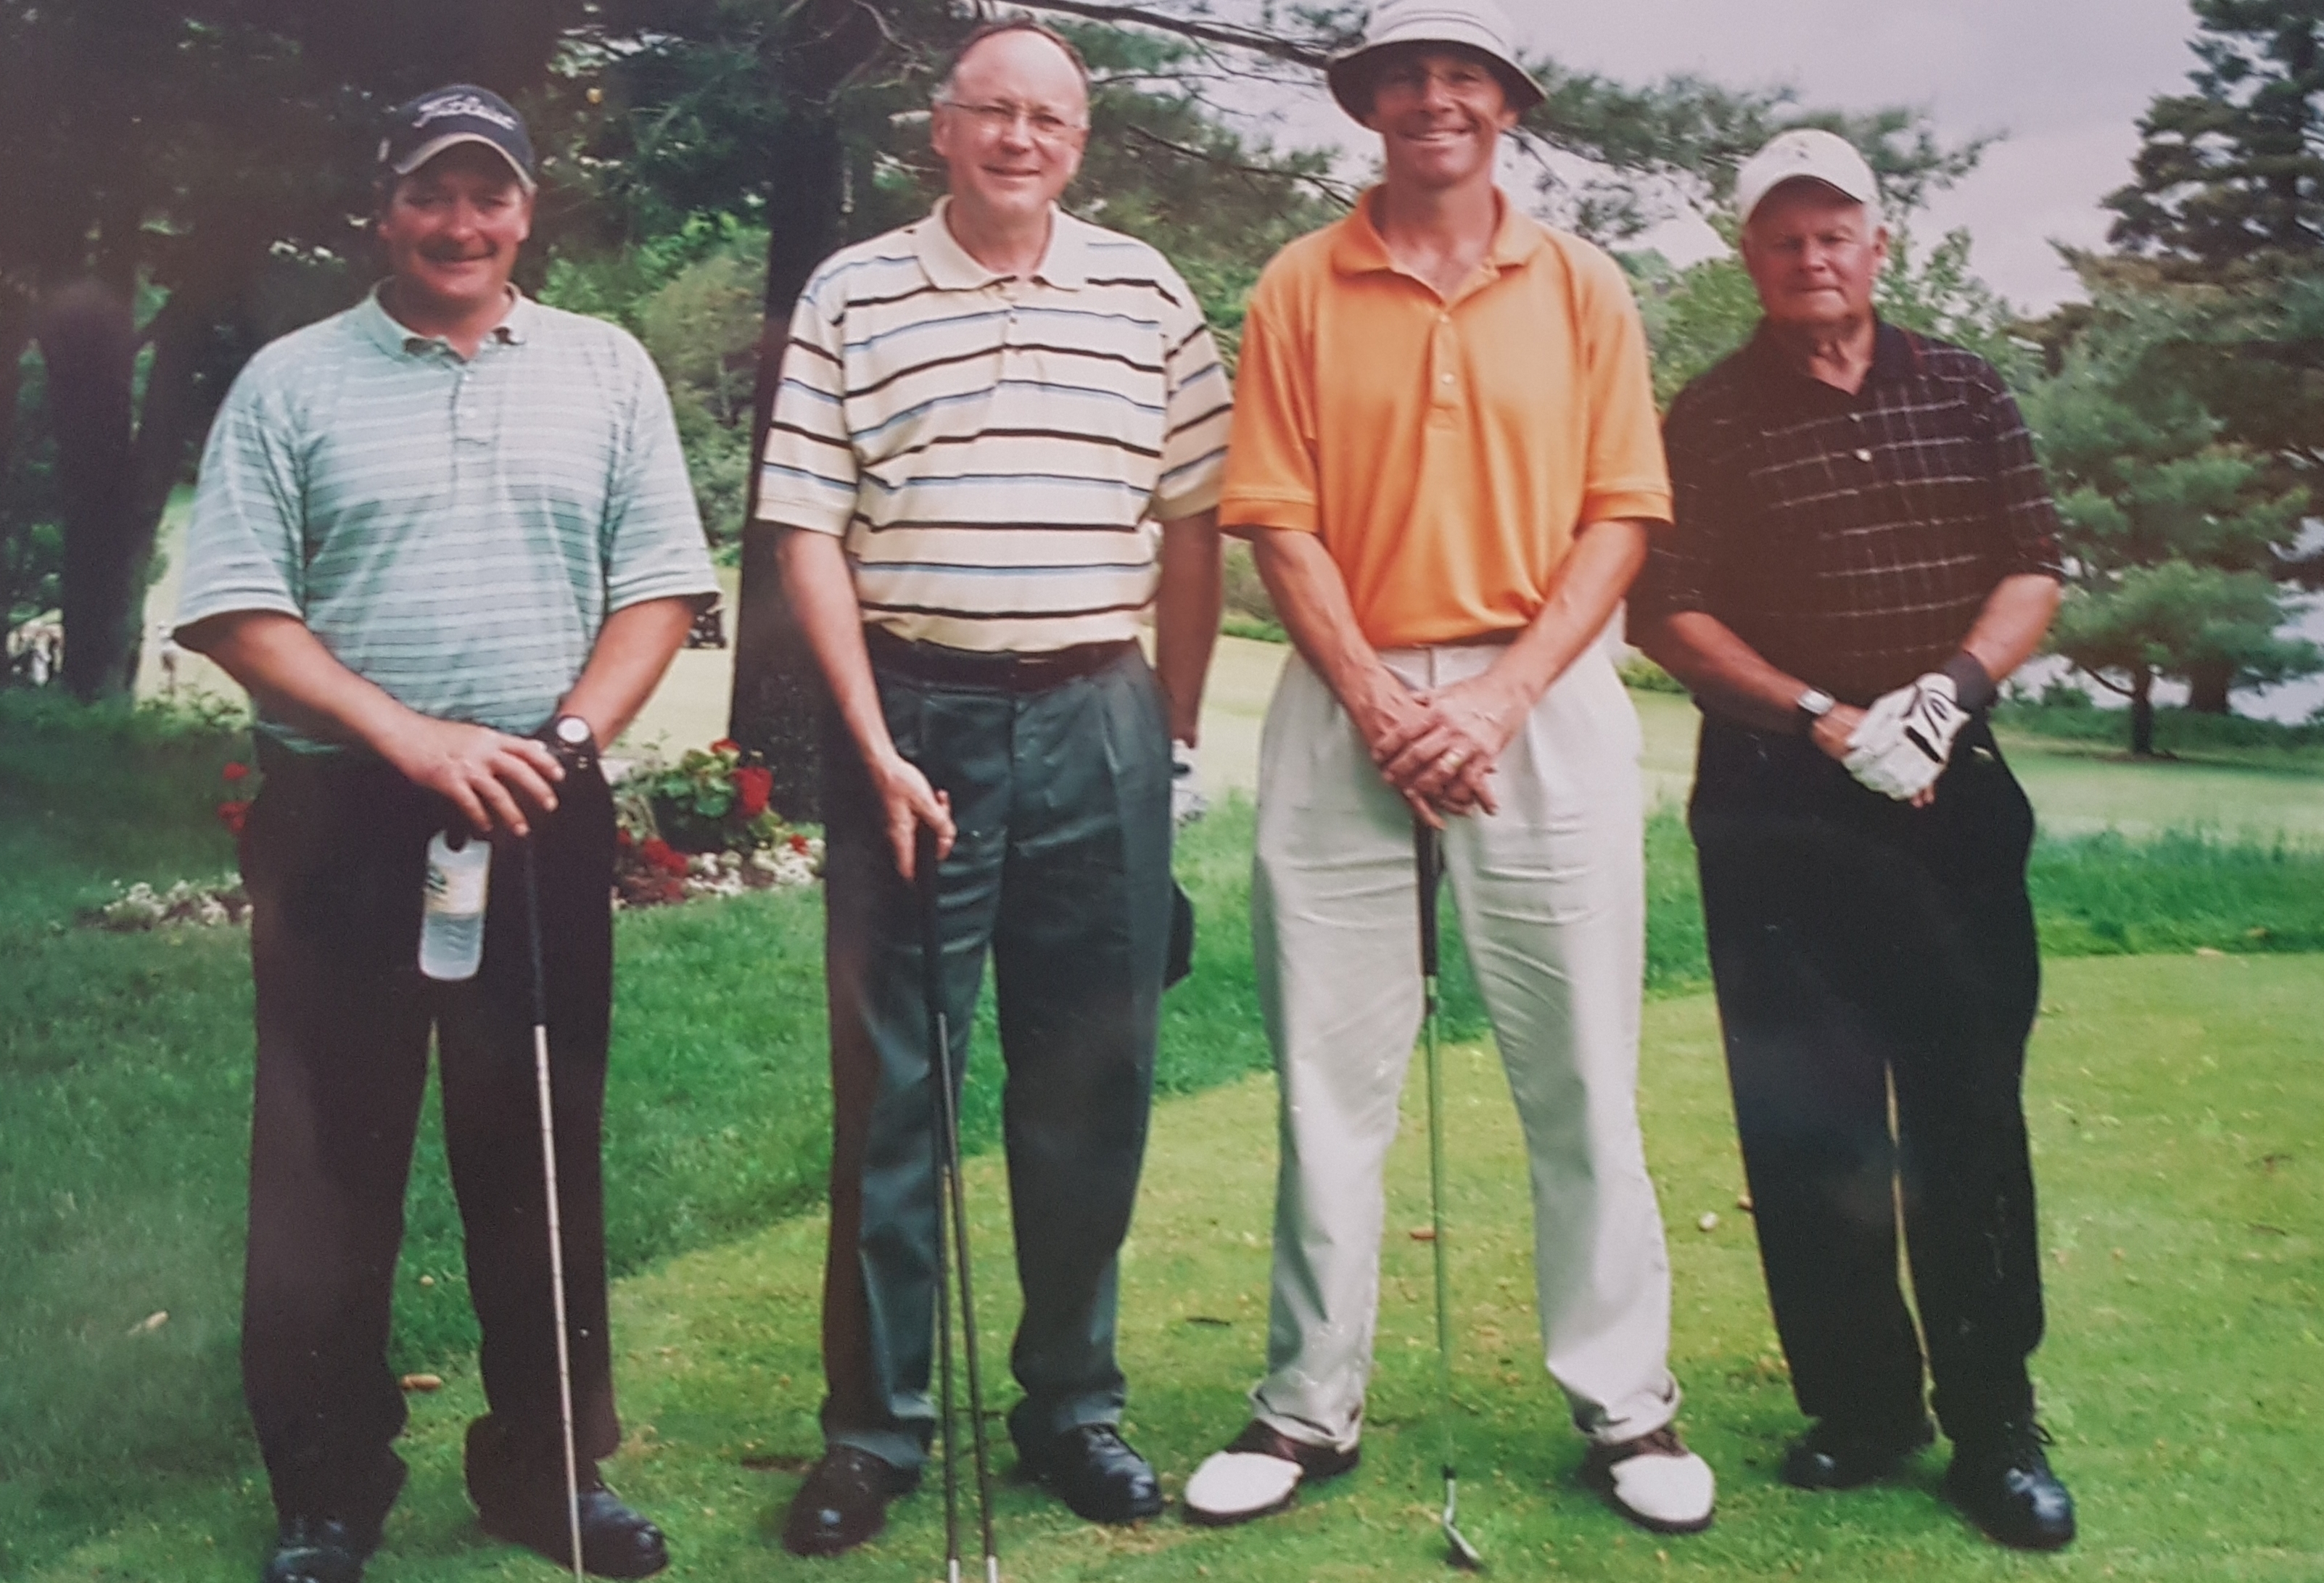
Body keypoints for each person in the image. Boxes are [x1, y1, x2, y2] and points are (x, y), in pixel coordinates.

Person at [1181, 0, 1715, 1537]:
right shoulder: (1298, 282)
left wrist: (1493, 702)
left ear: (1508, 104)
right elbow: (1278, 519)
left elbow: (1622, 514)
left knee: (1581, 1070)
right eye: (1406, 76)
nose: (1435, 98)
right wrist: (1377, 697)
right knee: (1327, 1077)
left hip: (1539, 694)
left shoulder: (1585, 283)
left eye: (1463, 74)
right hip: (1345, 692)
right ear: (1369, 105)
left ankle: (1628, 1404)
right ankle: (1305, 1406)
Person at [174, 85, 717, 1583]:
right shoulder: (292, 381)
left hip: (541, 800)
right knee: (327, 1161)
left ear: (528, 211)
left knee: (537, 1148)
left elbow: (659, 587)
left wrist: (567, 741)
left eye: (489, 195)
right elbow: (235, 607)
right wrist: (411, 736)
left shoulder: (605, 369)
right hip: (344, 814)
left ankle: (547, 1473)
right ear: (384, 207)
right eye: (432, 193)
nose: (460, 223)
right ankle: (327, 1489)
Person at [757, 20, 1229, 1558]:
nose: (1022, 139)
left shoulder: (1148, 294)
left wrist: (1172, 737)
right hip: (916, 715)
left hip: (1101, 714)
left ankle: (1073, 1405)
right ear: (941, 127)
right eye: (994, 112)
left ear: (1077, 144)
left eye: (1051, 120)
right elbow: (807, 533)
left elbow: (1195, 529)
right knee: (899, 1081)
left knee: (1090, 1074)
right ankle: (872, 1430)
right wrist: (870, 739)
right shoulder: (853, 292)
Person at [1631, 128, 2076, 1551]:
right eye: (1786, 236)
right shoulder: (1710, 413)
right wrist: (1822, 715)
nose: (1812, 257)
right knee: (1811, 1122)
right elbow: (1669, 610)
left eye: (1836, 233)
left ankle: (1995, 1421)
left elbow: (2033, 563)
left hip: (1953, 800)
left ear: (1878, 245)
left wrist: (1945, 697)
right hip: (1777, 802)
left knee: (1966, 1113)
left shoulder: (1965, 386)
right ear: (1751, 255)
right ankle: (1865, 1405)